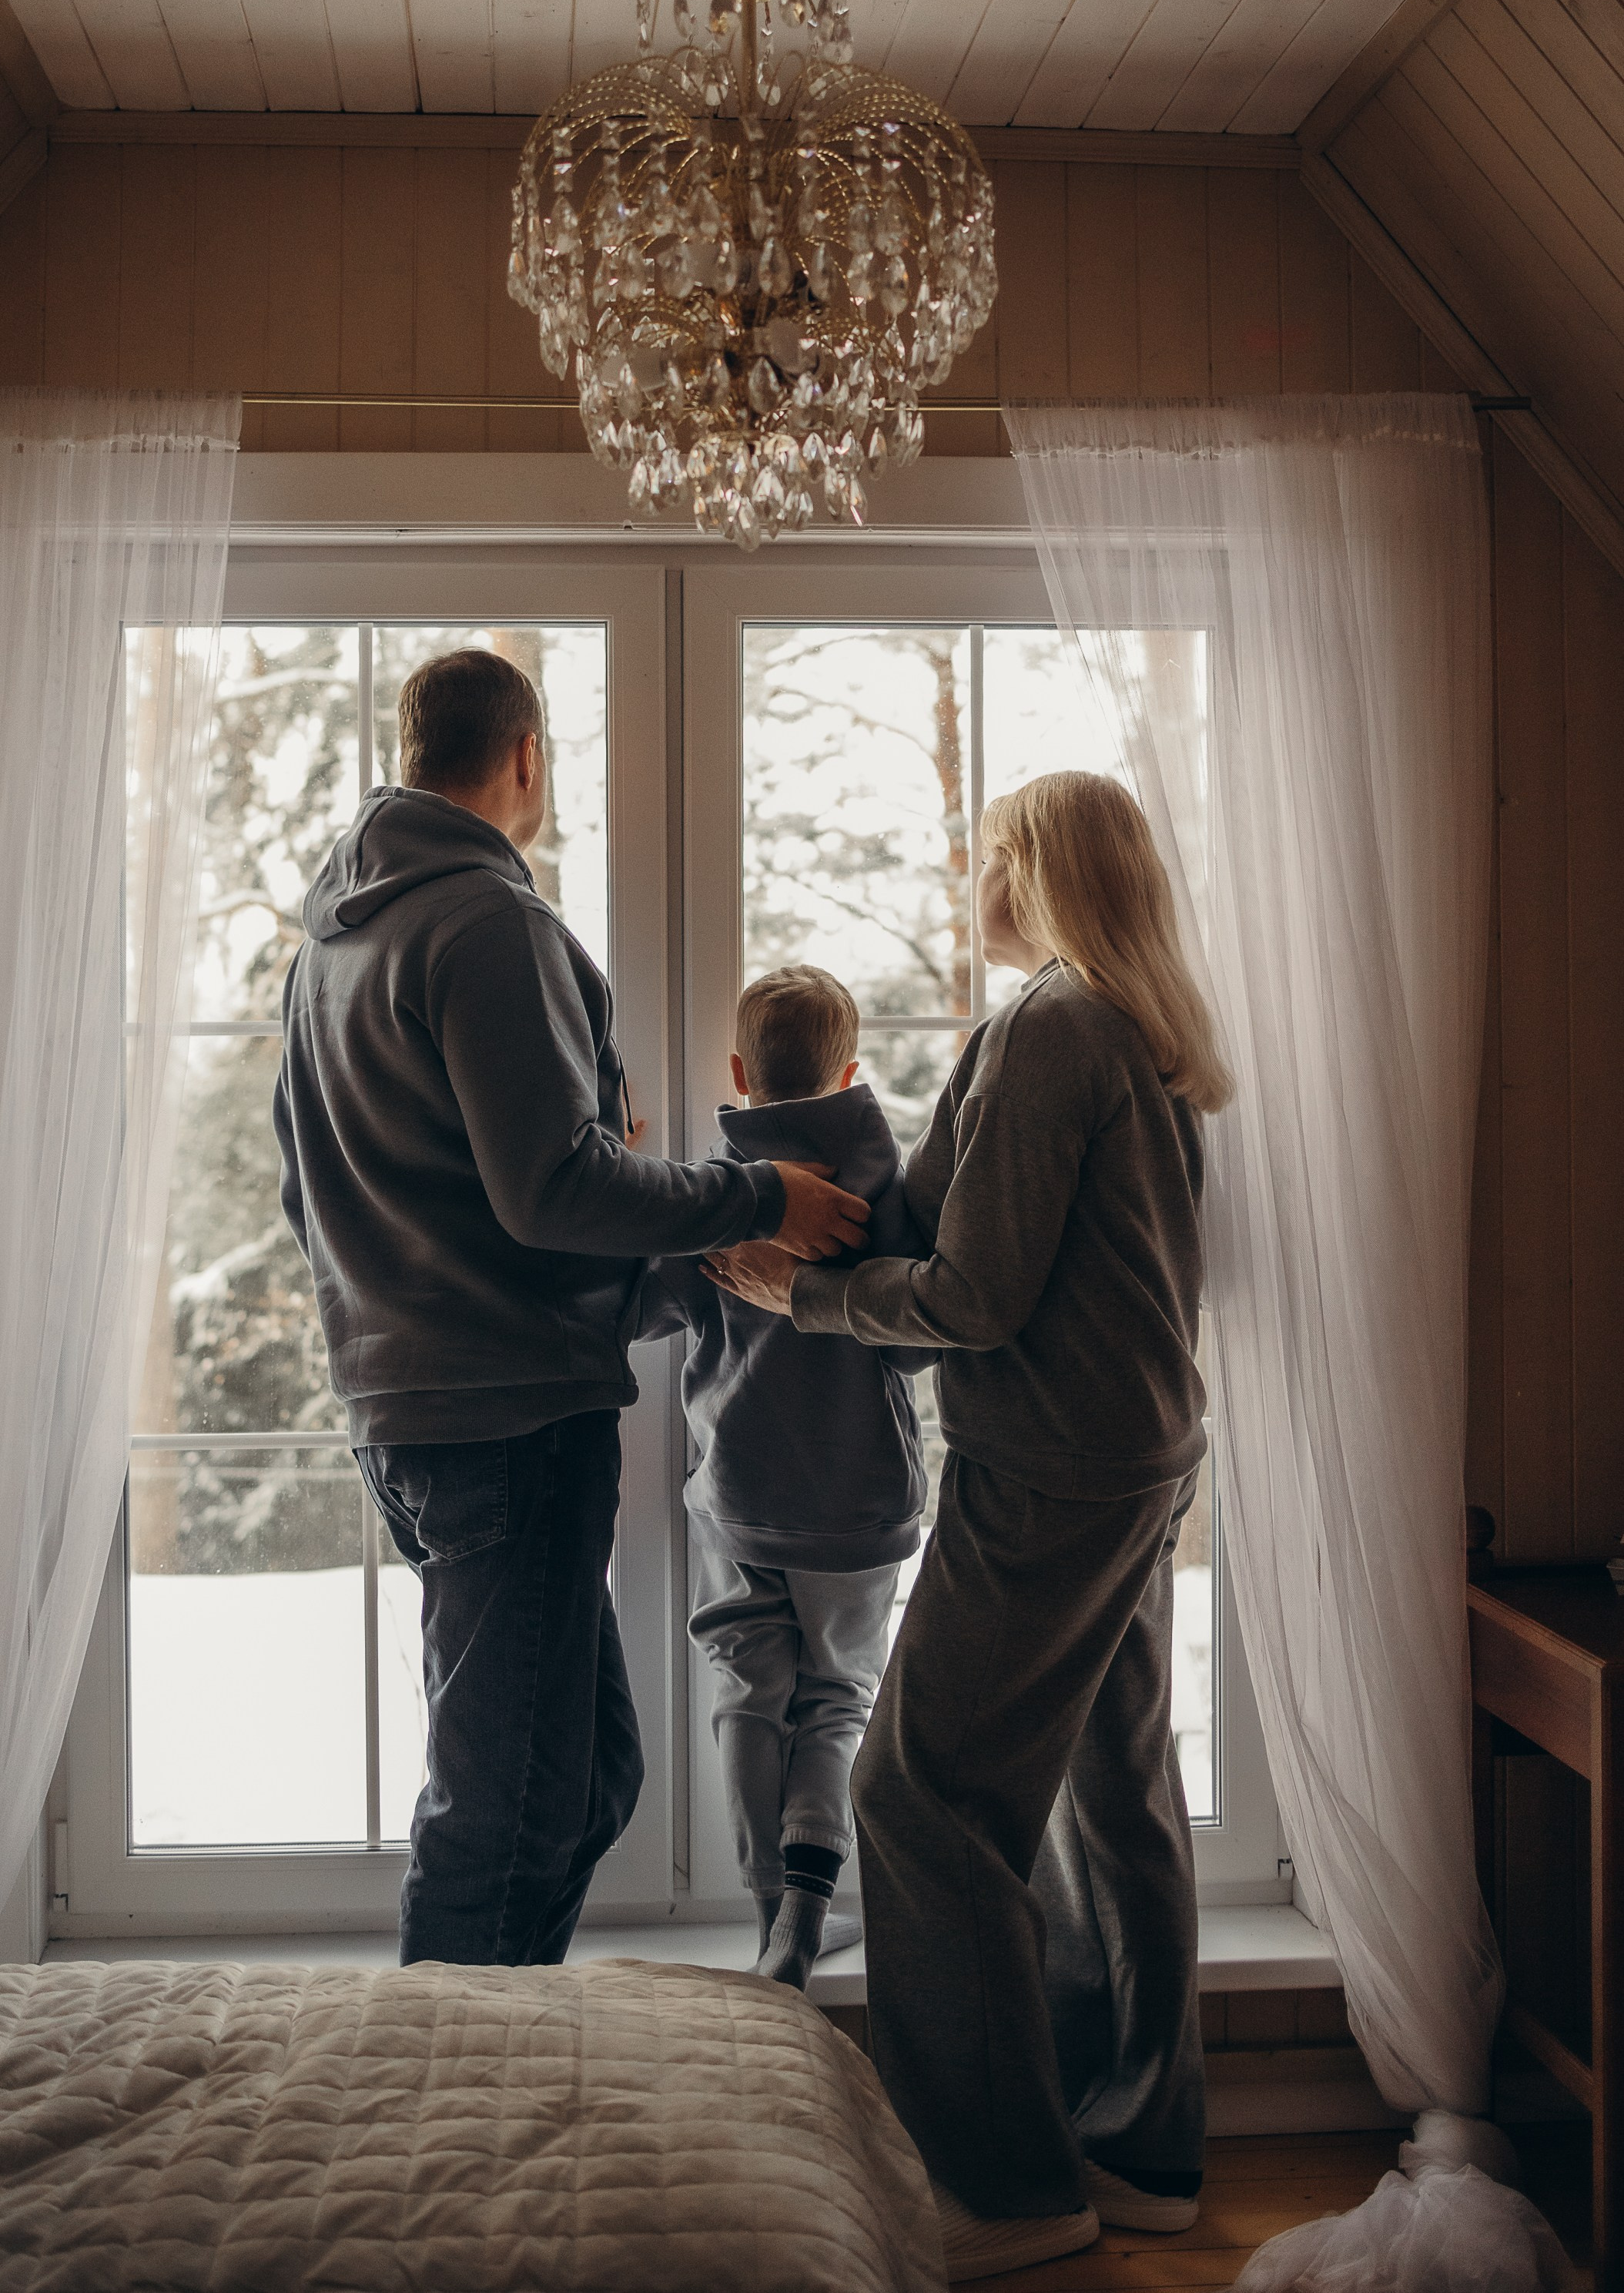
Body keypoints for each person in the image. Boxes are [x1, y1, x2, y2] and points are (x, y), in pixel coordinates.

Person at [705, 770, 1234, 2281]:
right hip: (1137, 1453)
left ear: (1038, 871)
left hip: (1055, 1468)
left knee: (915, 1794)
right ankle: (1143, 2145)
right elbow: (966, 1223)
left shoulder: (1054, 1025)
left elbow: (974, 1298)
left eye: (988, 852)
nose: (967, 874)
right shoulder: (1127, 1024)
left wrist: (792, 1291)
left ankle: (1006, 2187)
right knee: (1110, 1787)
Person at [273, 649, 869, 1970]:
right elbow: (549, 1192)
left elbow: (307, 1191)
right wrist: (751, 1194)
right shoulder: (490, 925)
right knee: (504, 1801)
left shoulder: (332, 946)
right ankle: (448, 2112)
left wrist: (599, 1178)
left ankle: (496, 2055)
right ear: (527, 757)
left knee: (585, 1775)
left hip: (409, 1409)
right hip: (507, 1423)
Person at [638, 965, 930, 1991]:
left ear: (737, 1072)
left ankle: (768, 1910)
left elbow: (650, 1307)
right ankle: (808, 1916)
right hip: (857, 1506)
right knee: (837, 1702)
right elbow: (911, 1345)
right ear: (847, 1069)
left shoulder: (720, 1186)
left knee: (748, 1694)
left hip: (742, 1494)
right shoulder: (883, 1185)